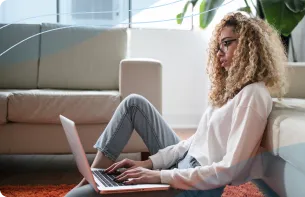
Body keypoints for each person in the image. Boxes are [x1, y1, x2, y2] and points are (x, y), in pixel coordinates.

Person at [65, 11, 288, 197]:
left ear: (249, 47)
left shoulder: (253, 96)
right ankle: (94, 177)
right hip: (181, 166)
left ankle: (92, 184)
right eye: (218, 46)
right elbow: (193, 142)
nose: (219, 52)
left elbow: (230, 170)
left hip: (196, 185)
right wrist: (150, 164)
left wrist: (160, 176)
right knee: (133, 104)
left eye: (227, 43)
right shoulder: (229, 91)